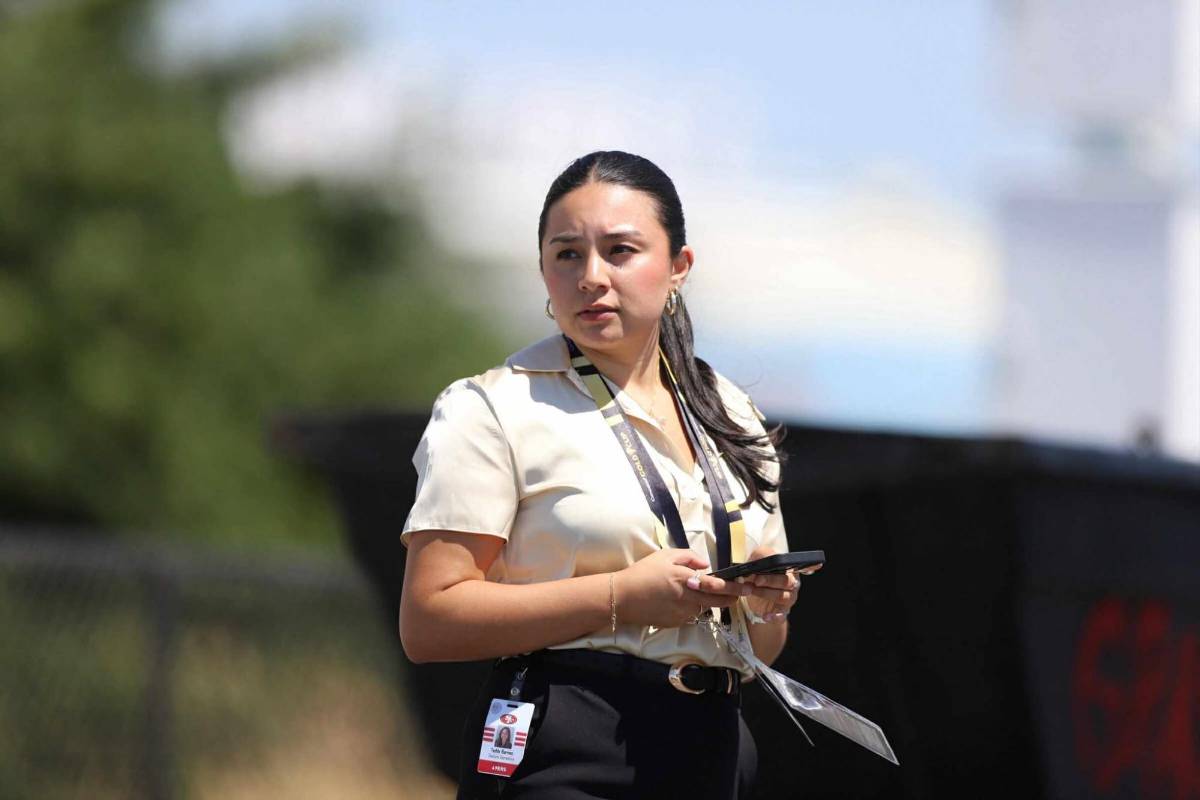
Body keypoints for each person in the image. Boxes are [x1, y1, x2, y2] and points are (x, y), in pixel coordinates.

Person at [399, 150, 801, 800]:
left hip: (715, 749)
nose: (591, 276)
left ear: (679, 268)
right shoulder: (493, 407)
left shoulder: (731, 413)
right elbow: (430, 621)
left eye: (619, 251)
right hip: (566, 740)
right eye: (567, 255)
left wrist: (765, 601)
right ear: (543, 272)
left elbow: (761, 649)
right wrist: (619, 595)